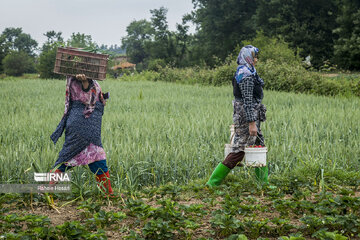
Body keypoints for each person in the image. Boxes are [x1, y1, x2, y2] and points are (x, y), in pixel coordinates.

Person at [206, 45, 268, 187]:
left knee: (259, 145)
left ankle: (263, 184)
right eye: (254, 56)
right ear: (248, 57)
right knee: (239, 151)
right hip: (247, 117)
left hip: (249, 114)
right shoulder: (245, 74)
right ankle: (212, 184)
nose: (256, 59)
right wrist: (251, 123)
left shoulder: (249, 71)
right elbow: (247, 100)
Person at [50, 74, 114, 196]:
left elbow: (94, 98)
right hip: (84, 126)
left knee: (91, 158)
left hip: (83, 126)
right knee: (94, 156)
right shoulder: (81, 80)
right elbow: (86, 91)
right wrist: (85, 81)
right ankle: (108, 194)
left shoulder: (84, 80)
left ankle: (108, 193)